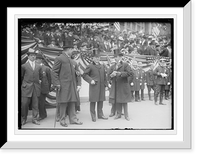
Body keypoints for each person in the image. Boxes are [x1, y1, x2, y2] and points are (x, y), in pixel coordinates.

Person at [51, 45, 83, 127]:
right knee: (63, 103)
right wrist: (57, 83)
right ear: (68, 49)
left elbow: (78, 74)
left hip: (72, 85)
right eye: (72, 49)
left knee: (72, 102)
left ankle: (73, 119)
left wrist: (78, 84)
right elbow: (54, 72)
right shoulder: (59, 58)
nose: (73, 51)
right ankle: (62, 120)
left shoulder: (71, 61)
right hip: (63, 85)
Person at [82, 50, 108, 122]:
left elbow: (104, 76)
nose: (97, 59)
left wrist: (106, 85)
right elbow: (84, 75)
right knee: (93, 101)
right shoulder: (90, 66)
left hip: (101, 87)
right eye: (96, 57)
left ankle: (100, 115)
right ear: (93, 58)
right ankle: (93, 116)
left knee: (101, 101)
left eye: (98, 57)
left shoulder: (102, 66)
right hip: (94, 87)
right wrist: (91, 80)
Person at [107, 49, 132, 121]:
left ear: (120, 57)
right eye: (115, 57)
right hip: (115, 85)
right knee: (117, 99)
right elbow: (108, 76)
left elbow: (129, 73)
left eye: (117, 57)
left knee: (124, 101)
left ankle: (126, 115)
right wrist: (111, 76)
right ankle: (118, 114)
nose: (116, 58)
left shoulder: (125, 65)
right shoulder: (112, 66)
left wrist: (120, 74)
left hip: (123, 85)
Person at [21, 48, 42, 126]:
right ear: (28, 56)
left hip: (36, 87)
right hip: (26, 88)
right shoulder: (23, 66)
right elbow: (21, 77)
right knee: (24, 104)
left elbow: (40, 76)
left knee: (35, 104)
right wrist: (23, 85)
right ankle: (23, 119)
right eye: (32, 55)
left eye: (34, 55)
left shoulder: (39, 66)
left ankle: (35, 119)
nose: (33, 57)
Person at [35, 52, 52, 121]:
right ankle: (43, 114)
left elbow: (49, 79)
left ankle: (42, 115)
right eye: (36, 59)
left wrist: (48, 88)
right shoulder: (34, 67)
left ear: (41, 60)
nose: (36, 60)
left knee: (41, 102)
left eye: (37, 59)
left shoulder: (46, 68)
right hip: (36, 88)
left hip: (43, 88)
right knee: (39, 102)